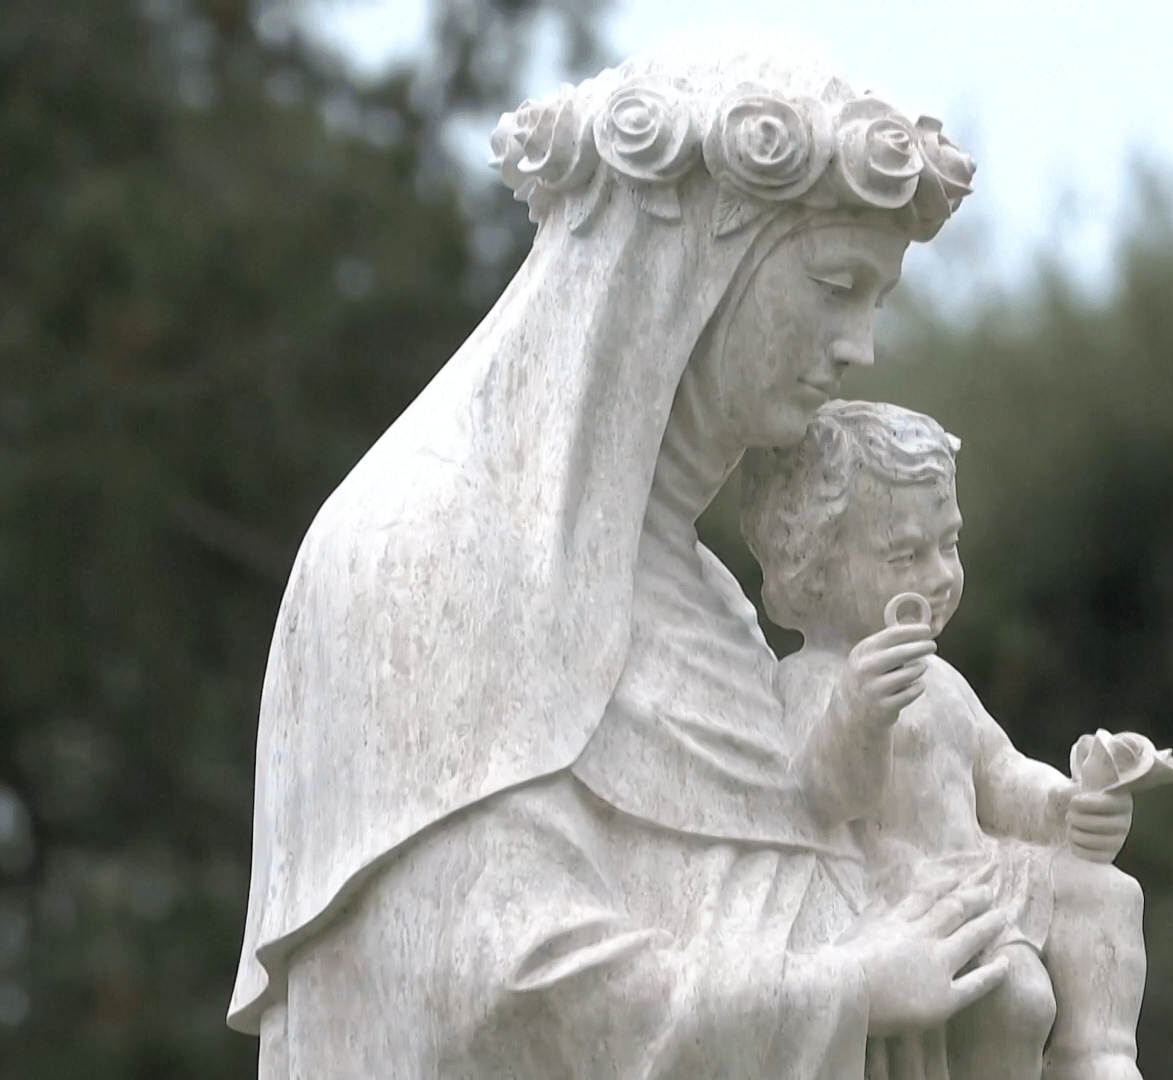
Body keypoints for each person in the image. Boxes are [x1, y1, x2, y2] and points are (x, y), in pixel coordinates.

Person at [229, 47, 1014, 1078]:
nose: (860, 346)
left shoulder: (715, 601)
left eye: (876, 300)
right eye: (835, 286)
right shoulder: (427, 548)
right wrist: (850, 991)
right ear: (690, 265)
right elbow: (483, 987)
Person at [740, 400, 1173, 1080]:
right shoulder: (809, 683)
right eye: (907, 554)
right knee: (1017, 992)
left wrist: (1067, 805)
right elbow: (822, 797)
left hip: (986, 871)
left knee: (1105, 893)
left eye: (949, 544)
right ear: (815, 564)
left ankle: (1099, 1057)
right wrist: (861, 712)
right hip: (905, 896)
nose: (941, 575)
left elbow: (998, 774)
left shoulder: (942, 681)